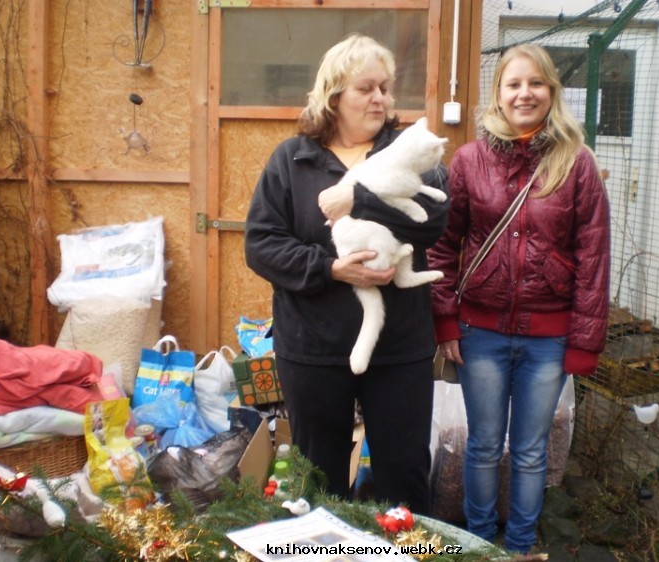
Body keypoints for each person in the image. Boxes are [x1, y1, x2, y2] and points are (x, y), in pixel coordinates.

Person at [244, 33, 449, 513]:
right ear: (334, 96)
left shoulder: (405, 151)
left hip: (398, 347)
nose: (380, 98)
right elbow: (262, 245)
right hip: (313, 347)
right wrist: (331, 269)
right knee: (320, 480)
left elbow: (433, 222)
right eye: (365, 88)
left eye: (385, 88)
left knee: (404, 475)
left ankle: (404, 545)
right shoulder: (292, 160)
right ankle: (328, 546)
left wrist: (359, 199)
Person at [428, 44, 610, 553]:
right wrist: (445, 322)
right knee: (484, 445)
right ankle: (479, 545)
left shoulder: (577, 163)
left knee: (531, 452)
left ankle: (521, 548)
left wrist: (585, 342)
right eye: (514, 84)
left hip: (549, 339)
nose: (524, 93)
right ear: (499, 94)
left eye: (535, 83)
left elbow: (594, 256)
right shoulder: (469, 160)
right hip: (479, 333)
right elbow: (441, 247)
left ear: (551, 91)